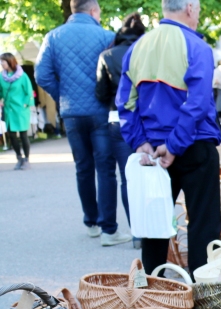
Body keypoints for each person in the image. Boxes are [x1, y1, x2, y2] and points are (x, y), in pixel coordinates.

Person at [117, 0, 221, 274]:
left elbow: (125, 104)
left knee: (154, 226)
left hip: (152, 149)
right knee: (203, 224)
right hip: (194, 145)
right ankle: (201, 290)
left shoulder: (137, 48)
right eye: (198, 8)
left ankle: (152, 289)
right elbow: (198, 104)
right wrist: (173, 145)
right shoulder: (197, 47)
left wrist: (140, 142)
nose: (198, 14)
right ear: (189, 8)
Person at [35, 0, 125, 243]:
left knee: (83, 168)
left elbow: (42, 75)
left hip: (71, 112)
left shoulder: (53, 37)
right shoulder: (107, 36)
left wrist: (62, 96)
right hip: (101, 111)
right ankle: (109, 230)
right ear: (93, 10)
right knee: (106, 169)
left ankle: (91, 222)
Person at [96, 12, 146, 229]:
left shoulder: (107, 55)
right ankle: (156, 229)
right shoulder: (148, 51)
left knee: (128, 177)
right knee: (154, 174)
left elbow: (101, 92)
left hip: (118, 119)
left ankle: (137, 232)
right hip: (148, 119)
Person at [0, 53, 33, 170]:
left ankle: (26, 159)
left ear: (10, 61)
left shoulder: (22, 76)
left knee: (23, 135)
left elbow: (29, 92)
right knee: (12, 136)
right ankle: (19, 158)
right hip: (9, 110)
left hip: (20, 109)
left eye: (3, 61)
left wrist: (25, 104)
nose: (1, 64)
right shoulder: (1, 76)